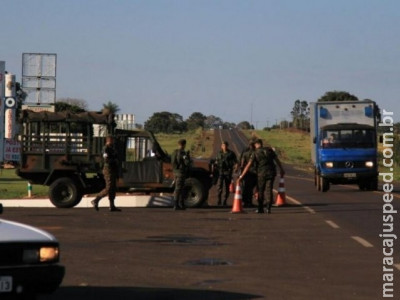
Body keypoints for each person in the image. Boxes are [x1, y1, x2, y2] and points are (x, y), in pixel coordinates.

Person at [239, 139, 284, 214]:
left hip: (261, 174)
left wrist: (241, 176)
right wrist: (281, 169)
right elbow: (277, 160)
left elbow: (248, 165)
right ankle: (268, 207)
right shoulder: (269, 150)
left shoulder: (255, 153)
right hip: (271, 172)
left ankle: (260, 208)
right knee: (269, 189)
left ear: (257, 144)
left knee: (260, 190)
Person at [91, 136, 121, 212]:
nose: (113, 141)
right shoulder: (106, 148)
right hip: (108, 169)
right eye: (112, 140)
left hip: (113, 169)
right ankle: (96, 200)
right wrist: (114, 160)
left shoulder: (112, 148)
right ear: (109, 140)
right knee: (109, 187)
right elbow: (106, 159)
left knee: (113, 188)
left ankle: (112, 206)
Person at [213, 141, 238, 206]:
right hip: (220, 171)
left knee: (227, 187)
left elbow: (236, 162)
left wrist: (235, 168)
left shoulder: (231, 154)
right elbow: (216, 161)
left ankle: (224, 200)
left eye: (225, 145)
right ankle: (219, 200)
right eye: (223, 145)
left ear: (227, 146)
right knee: (219, 187)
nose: (224, 147)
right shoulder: (219, 153)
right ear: (221, 146)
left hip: (228, 172)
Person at [171, 139, 191, 210]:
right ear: (184, 145)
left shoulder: (174, 152)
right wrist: (188, 157)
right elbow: (187, 163)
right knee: (179, 188)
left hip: (175, 172)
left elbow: (173, 162)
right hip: (181, 172)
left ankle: (179, 204)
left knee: (179, 188)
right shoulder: (183, 153)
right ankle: (176, 204)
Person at [239, 141, 257, 207]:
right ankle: (249, 201)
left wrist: (241, 172)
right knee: (251, 188)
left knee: (245, 187)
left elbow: (242, 163)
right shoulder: (256, 153)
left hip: (246, 172)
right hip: (254, 172)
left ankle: (245, 201)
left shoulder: (245, 154)